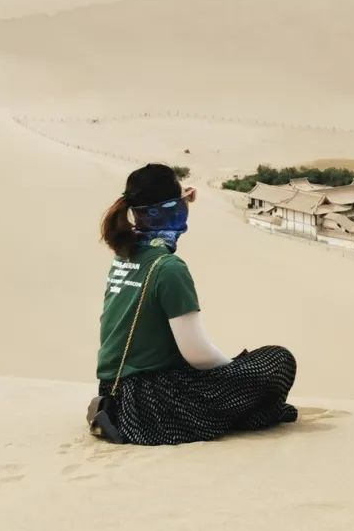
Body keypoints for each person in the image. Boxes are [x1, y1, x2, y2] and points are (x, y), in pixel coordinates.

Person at [89, 164, 297, 445]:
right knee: (278, 360)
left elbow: (158, 207)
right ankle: (250, 413)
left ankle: (248, 411)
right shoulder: (168, 268)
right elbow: (197, 355)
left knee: (241, 385)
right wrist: (235, 369)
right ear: (171, 208)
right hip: (154, 407)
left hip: (115, 394)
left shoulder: (125, 253)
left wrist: (180, 197)